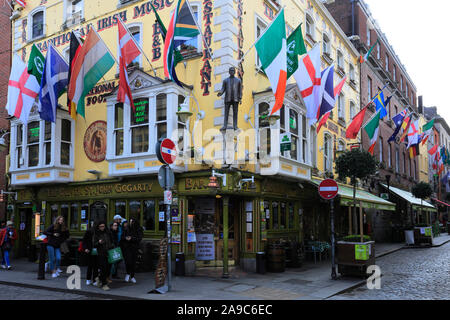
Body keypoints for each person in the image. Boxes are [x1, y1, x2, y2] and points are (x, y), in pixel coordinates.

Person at [93, 221, 114, 291]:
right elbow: (94, 244)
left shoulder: (108, 232)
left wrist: (112, 246)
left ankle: (99, 278)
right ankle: (104, 284)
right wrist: (98, 242)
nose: (102, 228)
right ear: (98, 227)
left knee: (108, 268)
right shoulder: (96, 234)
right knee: (103, 268)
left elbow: (111, 241)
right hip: (101, 253)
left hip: (109, 252)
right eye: (101, 226)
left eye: (103, 226)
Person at [121, 218, 143, 283]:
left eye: (132, 222)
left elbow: (139, 238)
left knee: (133, 262)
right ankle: (128, 273)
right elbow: (122, 237)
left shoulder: (138, 229)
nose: (130, 223)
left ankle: (132, 276)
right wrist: (125, 238)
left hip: (134, 248)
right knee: (128, 261)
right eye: (130, 221)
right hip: (127, 248)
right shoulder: (126, 229)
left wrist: (132, 238)